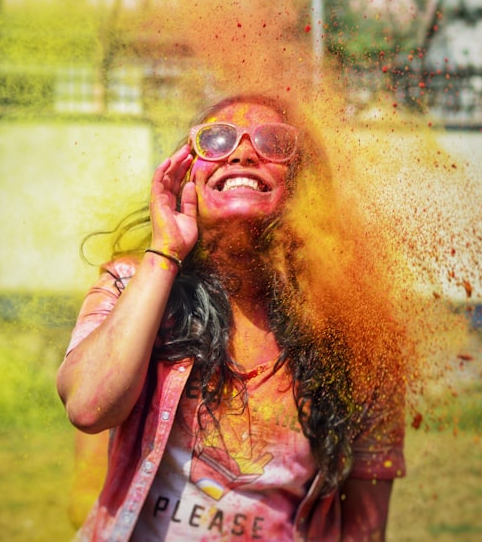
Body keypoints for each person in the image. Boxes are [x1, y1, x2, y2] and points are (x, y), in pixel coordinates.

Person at [57, 94, 410, 541]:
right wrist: (165, 251)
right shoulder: (133, 283)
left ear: (303, 186)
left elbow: (365, 528)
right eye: (217, 140)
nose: (242, 153)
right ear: (188, 173)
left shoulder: (356, 336)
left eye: (273, 142)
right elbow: (89, 407)